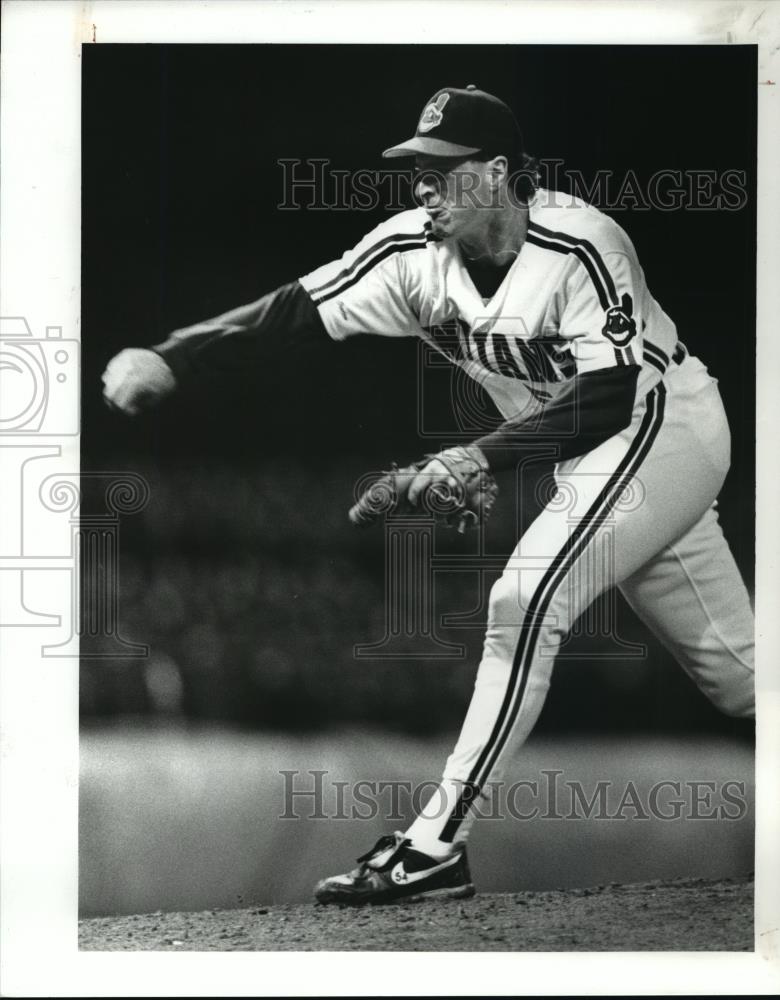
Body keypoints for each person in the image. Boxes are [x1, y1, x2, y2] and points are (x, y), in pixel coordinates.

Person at [102, 85, 755, 906]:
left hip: (667, 430)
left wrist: (476, 459)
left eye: (442, 171)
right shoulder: (411, 252)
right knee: (740, 677)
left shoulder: (583, 242)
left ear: (496, 174)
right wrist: (176, 354)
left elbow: (611, 398)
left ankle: (435, 844)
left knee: (525, 599)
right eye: (416, 168)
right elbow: (295, 310)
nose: (421, 185)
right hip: (597, 457)